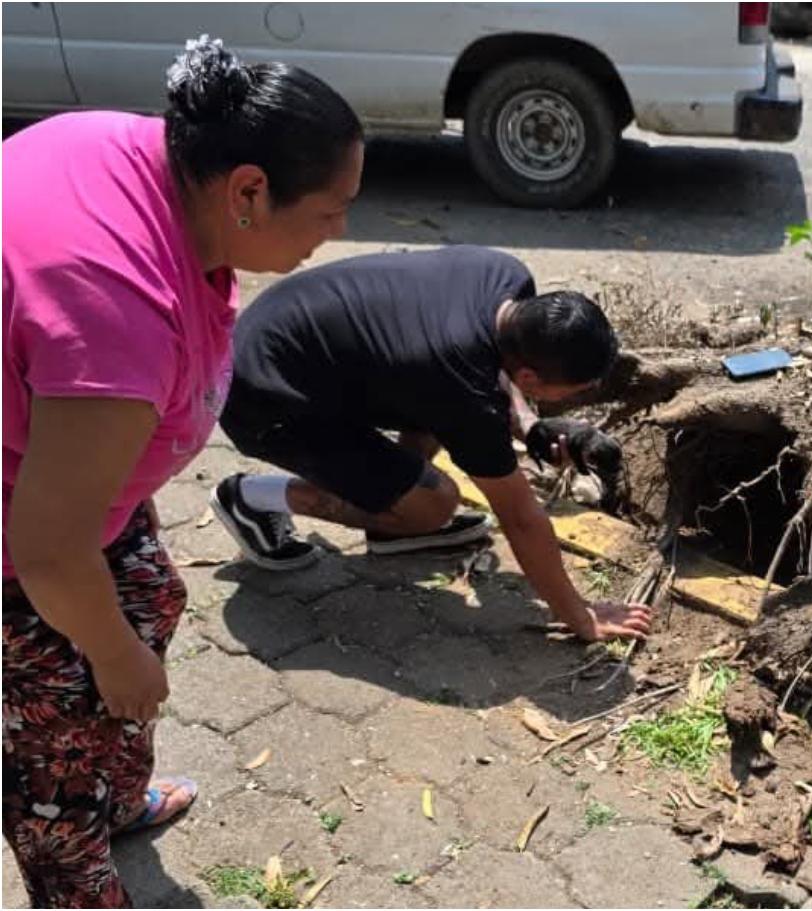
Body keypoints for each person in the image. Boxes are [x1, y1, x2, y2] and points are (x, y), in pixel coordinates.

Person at [2, 36, 363, 907]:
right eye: (329, 210)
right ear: (248, 190)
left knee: (152, 592)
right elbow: (48, 550)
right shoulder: (116, 311)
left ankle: (116, 798)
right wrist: (114, 654)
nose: (341, 232)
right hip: (25, 539)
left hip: (58, 463)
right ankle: (77, 861)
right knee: (59, 745)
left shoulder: (141, 154)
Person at [213, 246, 652, 642]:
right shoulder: (459, 382)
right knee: (435, 503)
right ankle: (249, 499)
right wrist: (581, 615)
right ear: (531, 379)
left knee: (444, 396)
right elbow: (520, 518)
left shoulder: (505, 278)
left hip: (300, 340)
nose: (576, 400)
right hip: (261, 396)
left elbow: (485, 370)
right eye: (574, 391)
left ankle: (389, 520)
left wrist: (530, 426)